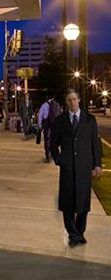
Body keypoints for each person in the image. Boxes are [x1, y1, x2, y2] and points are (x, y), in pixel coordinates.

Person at [50, 88, 102, 246]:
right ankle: (73, 235)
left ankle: (79, 232)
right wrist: (59, 160)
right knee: (67, 202)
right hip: (67, 167)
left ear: (79, 100)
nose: (72, 102)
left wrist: (97, 164)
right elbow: (53, 145)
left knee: (83, 203)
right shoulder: (60, 121)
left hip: (84, 167)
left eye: (74, 99)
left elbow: (95, 143)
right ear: (66, 103)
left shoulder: (90, 120)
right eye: (69, 100)